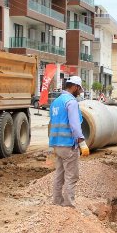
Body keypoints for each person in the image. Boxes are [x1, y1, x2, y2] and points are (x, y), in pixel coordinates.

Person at [49, 75, 90, 207]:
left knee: (59, 175)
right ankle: (68, 205)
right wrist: (82, 143)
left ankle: (57, 201)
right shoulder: (71, 102)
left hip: (56, 143)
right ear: (75, 87)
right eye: (79, 89)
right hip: (68, 144)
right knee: (71, 176)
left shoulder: (56, 102)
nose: (79, 92)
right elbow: (75, 125)